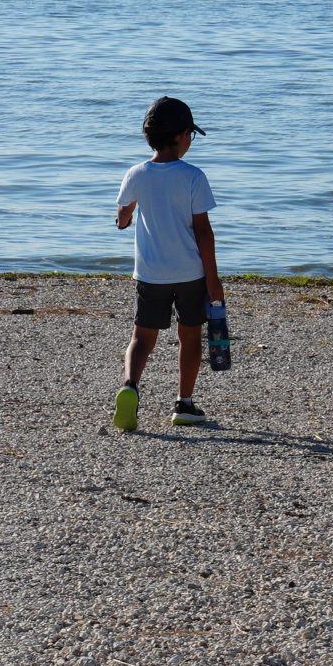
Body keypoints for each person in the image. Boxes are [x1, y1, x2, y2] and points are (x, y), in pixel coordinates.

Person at [111, 95, 223, 432]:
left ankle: (130, 386)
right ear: (181, 136)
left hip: (150, 273)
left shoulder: (136, 174)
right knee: (190, 337)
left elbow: (122, 218)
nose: (190, 141)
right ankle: (184, 404)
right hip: (190, 273)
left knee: (142, 338)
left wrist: (127, 216)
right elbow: (203, 231)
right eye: (191, 135)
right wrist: (213, 279)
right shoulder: (193, 177)